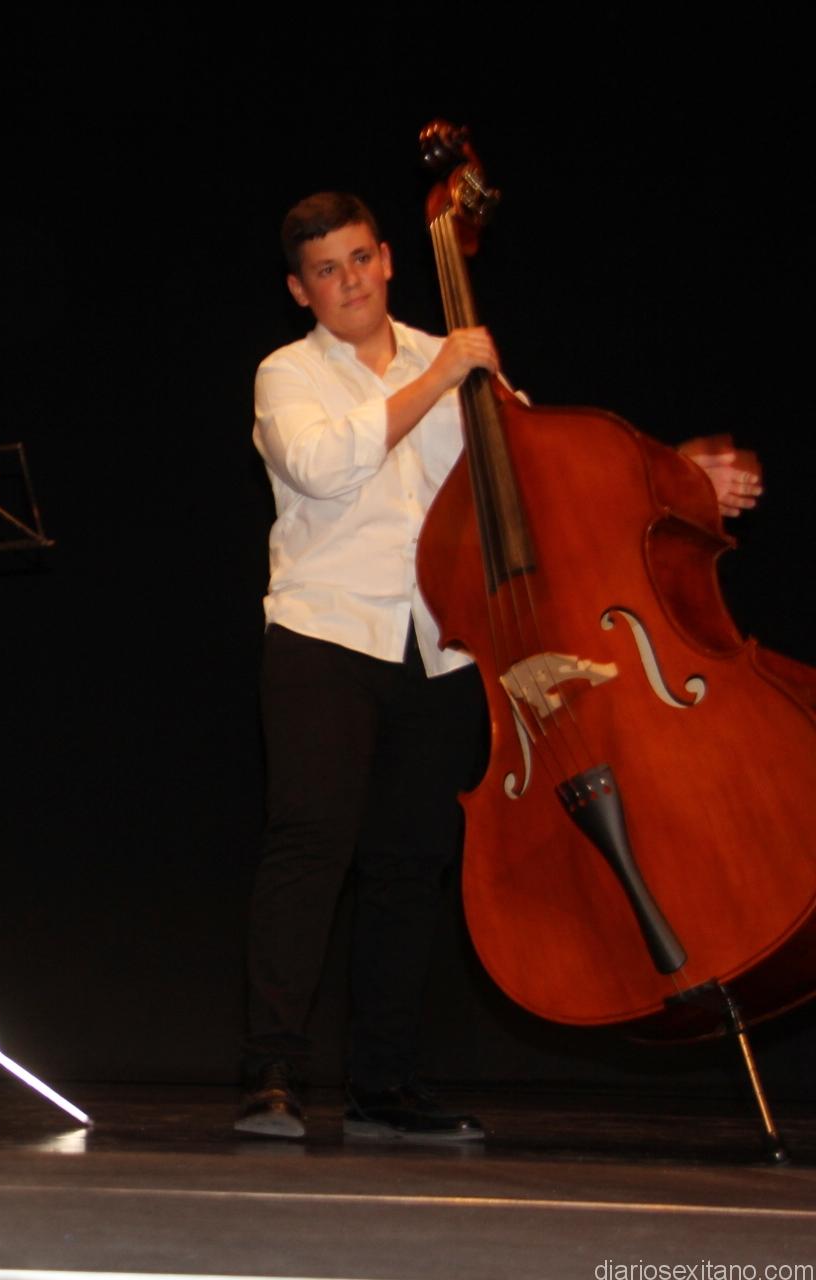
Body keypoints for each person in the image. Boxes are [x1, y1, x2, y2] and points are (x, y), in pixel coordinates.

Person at [236, 193, 760, 1142]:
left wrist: (678, 474)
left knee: (411, 865)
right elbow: (320, 467)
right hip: (325, 635)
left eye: (360, 259)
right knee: (310, 845)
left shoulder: (458, 358)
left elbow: (550, 461)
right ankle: (272, 1072)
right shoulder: (289, 373)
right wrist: (441, 375)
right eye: (326, 270)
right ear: (299, 289)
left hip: (445, 642)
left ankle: (382, 1087)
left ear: (388, 258)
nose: (349, 281)